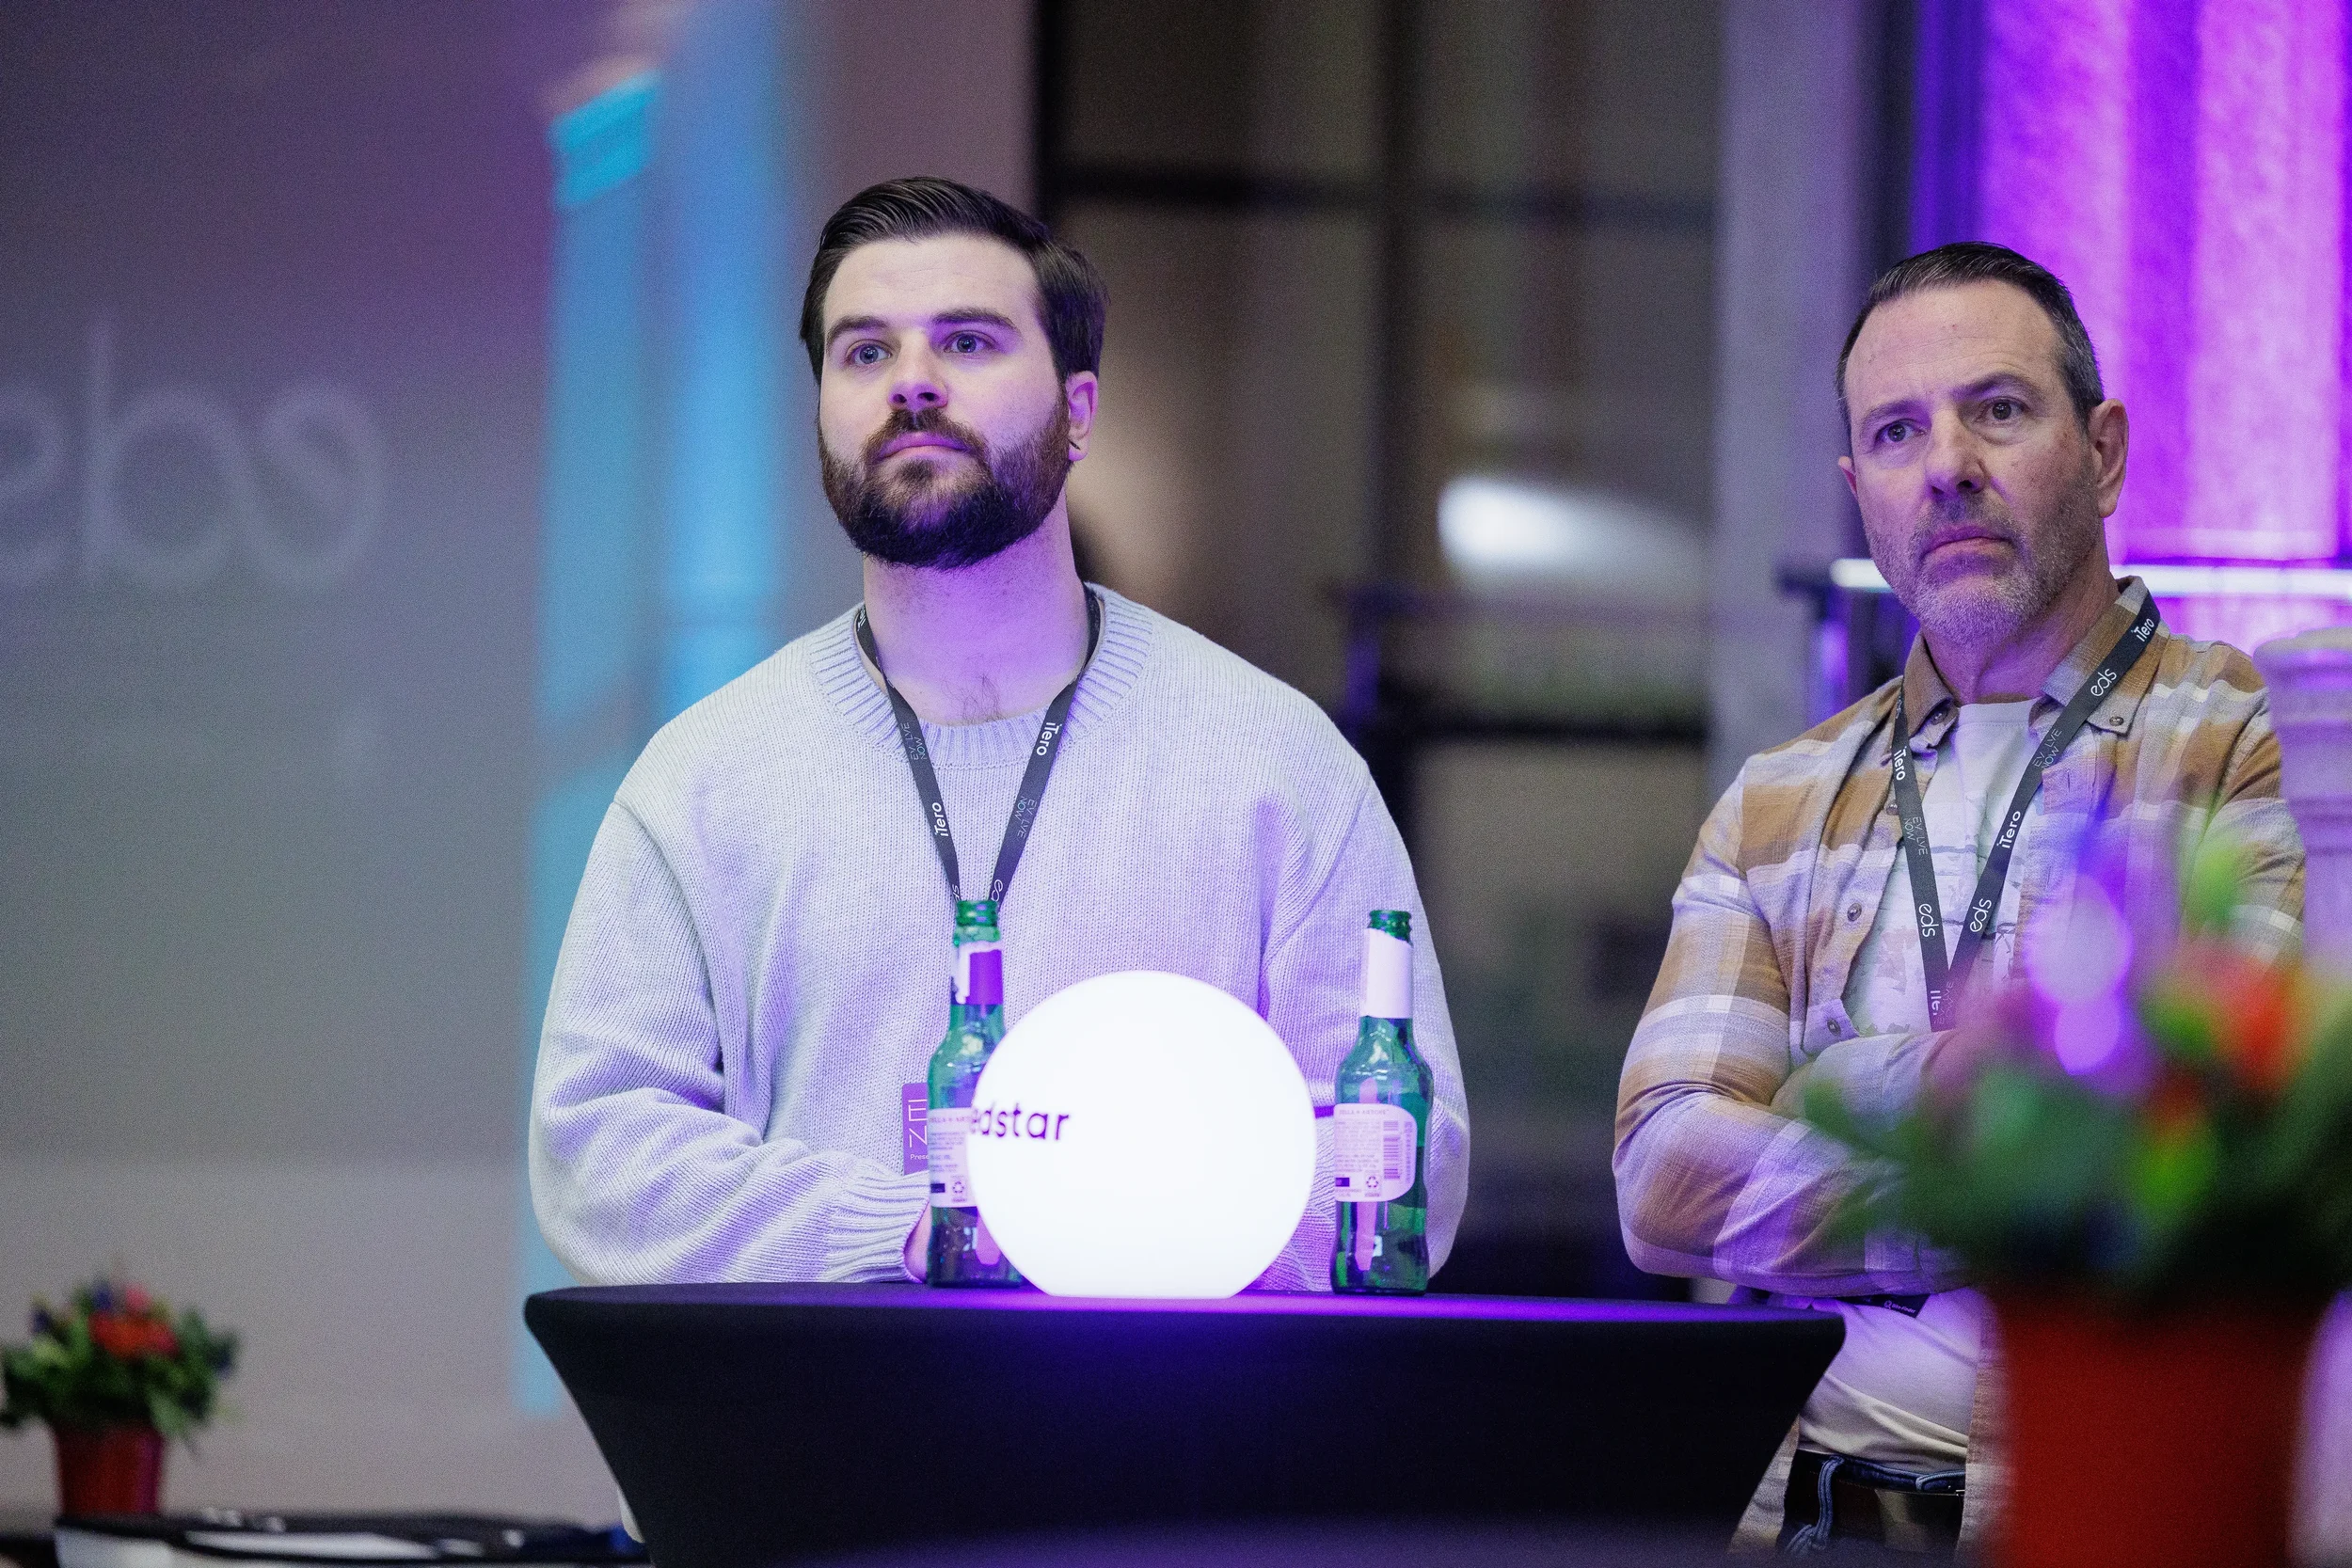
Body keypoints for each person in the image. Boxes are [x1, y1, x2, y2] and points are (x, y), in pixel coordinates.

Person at [530, 177, 1468, 1291]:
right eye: (863, 353)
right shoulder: (705, 778)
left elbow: (1402, 1176)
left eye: (967, 342)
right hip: (810, 1441)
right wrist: (917, 1231)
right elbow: (599, 1154)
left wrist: (1070, 1227)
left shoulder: (1274, 763)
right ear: (822, 408)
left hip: (1170, 1442)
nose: (912, 383)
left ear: (1079, 409)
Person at [1614, 242, 2303, 1555]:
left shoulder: (2245, 741)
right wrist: (1982, 1114)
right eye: (1896, 430)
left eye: (1998, 408)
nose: (1947, 466)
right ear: (1858, 490)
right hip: (1805, 1516)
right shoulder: (1780, 795)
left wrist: (1836, 1088)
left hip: (2107, 1514)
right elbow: (1660, 1184)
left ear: (2102, 450)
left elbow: (2192, 1157)